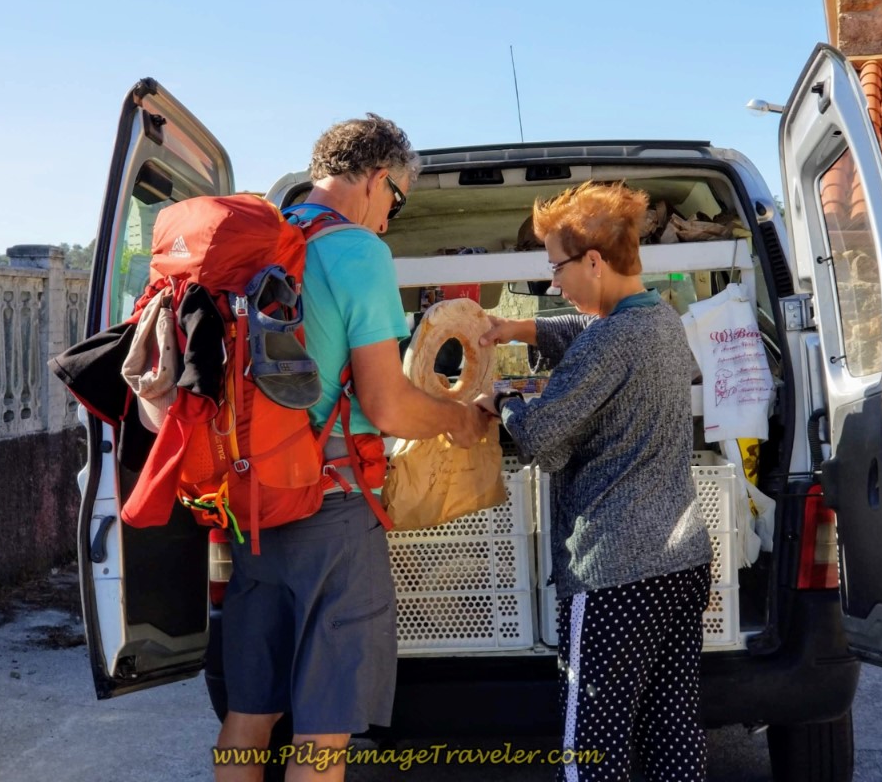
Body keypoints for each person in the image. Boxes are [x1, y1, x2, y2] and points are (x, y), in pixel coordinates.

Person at [214, 113, 490, 782]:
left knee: (249, 716)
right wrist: (458, 419)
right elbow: (387, 404)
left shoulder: (261, 241)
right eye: (395, 200)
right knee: (322, 731)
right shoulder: (358, 252)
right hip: (331, 512)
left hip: (248, 504)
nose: (389, 221)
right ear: (375, 179)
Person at [474, 180, 712, 782]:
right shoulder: (659, 318)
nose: (554, 283)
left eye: (557, 268)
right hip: (682, 564)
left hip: (614, 576)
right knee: (673, 728)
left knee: (593, 748)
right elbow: (591, 336)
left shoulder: (610, 342)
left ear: (595, 262)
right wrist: (516, 329)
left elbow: (540, 439)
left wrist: (500, 399)